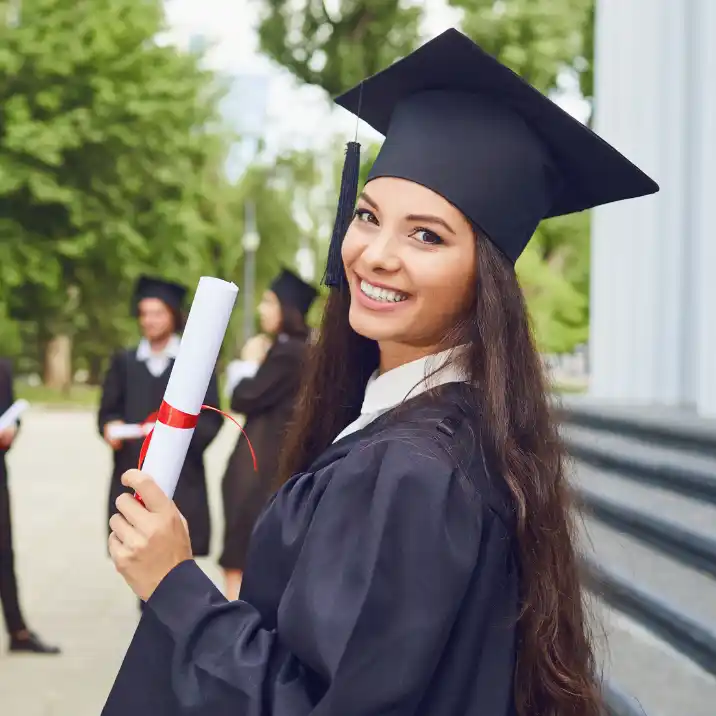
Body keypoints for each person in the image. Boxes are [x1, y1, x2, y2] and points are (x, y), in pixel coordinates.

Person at [101, 29, 658, 716]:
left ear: (484, 278)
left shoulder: (412, 473)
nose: (375, 255)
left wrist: (174, 583)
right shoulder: (457, 432)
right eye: (368, 216)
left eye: (427, 235)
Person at [98, 276, 222, 560]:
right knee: (136, 551)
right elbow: (107, 412)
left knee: (176, 558)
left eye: (157, 313)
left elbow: (212, 418)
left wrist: (174, 440)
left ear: (173, 316)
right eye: (144, 314)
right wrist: (109, 428)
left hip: (182, 476)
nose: (149, 321)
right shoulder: (124, 363)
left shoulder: (194, 363)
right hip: (133, 469)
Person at [219, 268, 317, 600]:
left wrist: (248, 363)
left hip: (260, 466)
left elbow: (243, 396)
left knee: (239, 553)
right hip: (270, 462)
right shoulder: (303, 348)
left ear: (287, 308)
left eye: (269, 301)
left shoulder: (289, 352)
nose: (263, 309)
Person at [0, 359, 60, 654]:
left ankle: (18, 631)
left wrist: (11, 429)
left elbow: (9, 412)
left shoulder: (2, 367)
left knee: (3, 552)